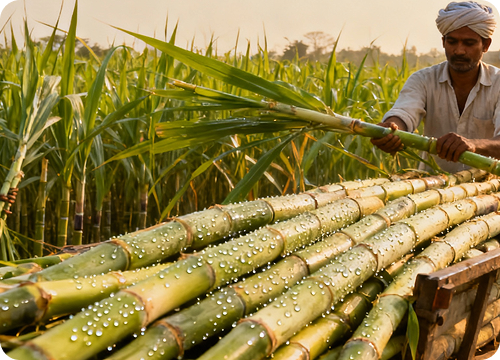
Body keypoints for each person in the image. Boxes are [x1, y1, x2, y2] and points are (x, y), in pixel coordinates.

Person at [371, 1, 500, 173]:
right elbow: (404, 114)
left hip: (488, 188)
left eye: (469, 43)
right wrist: (391, 130)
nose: (459, 51)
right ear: (443, 42)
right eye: (452, 42)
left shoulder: (498, 83)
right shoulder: (423, 80)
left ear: (486, 45)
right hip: (433, 186)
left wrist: (473, 145)